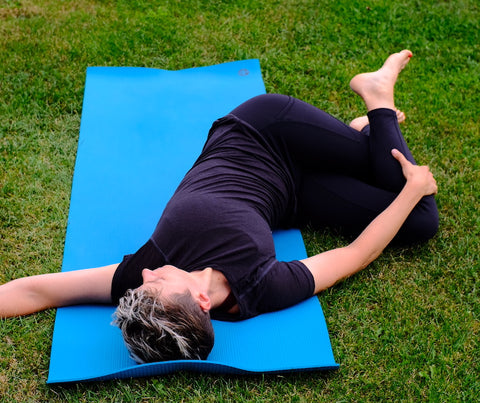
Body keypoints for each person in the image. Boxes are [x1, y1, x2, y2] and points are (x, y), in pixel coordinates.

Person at [0, 50, 438, 364]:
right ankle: (365, 133)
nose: (147, 273)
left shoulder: (142, 274)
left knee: (388, 169)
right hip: (292, 195)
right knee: (419, 217)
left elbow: (39, 289)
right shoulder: (261, 290)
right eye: (156, 283)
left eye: (143, 281)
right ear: (201, 301)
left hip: (265, 131)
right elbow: (353, 256)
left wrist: (407, 187)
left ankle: (376, 96)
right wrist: (409, 192)